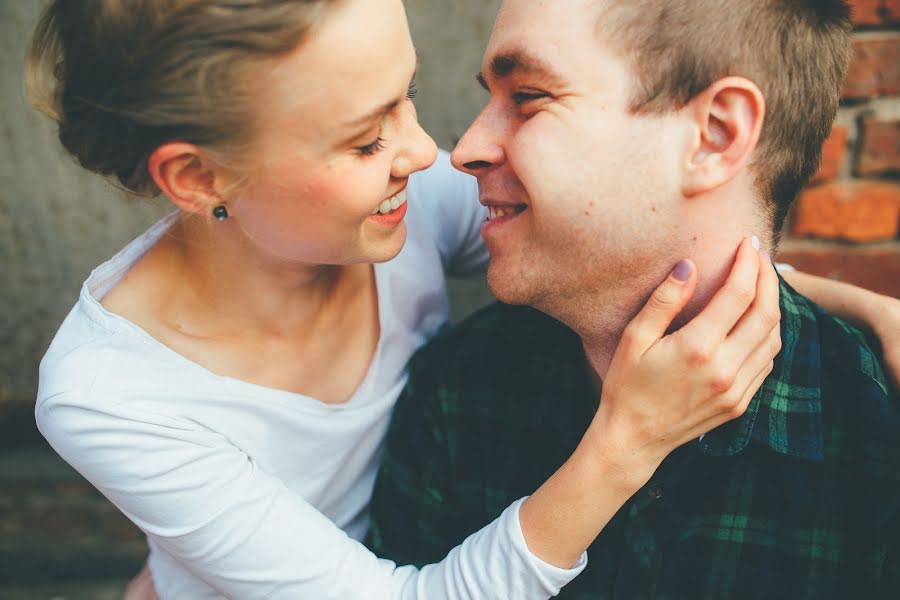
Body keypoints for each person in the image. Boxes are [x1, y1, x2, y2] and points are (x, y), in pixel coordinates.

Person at [28, 0, 792, 598]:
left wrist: (865, 308)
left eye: (409, 96)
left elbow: (607, 247)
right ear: (198, 179)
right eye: (366, 140)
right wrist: (629, 441)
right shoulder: (110, 394)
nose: (429, 153)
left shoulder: (403, 199)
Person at [367, 0, 900, 597]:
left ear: (713, 137)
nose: (465, 148)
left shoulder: (878, 440)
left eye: (528, 98)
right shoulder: (458, 390)